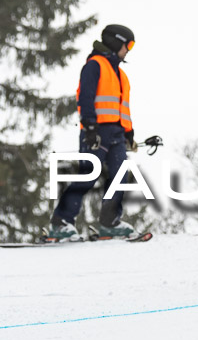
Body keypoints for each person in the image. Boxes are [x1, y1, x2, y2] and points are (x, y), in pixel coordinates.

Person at [48, 24, 139, 241]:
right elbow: (85, 97)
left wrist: (129, 133)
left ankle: (110, 222)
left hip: (117, 134)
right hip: (96, 132)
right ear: (117, 42)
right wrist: (89, 126)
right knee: (89, 175)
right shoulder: (94, 65)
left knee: (120, 176)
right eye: (128, 45)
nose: (129, 50)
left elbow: (122, 108)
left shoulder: (121, 74)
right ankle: (62, 222)